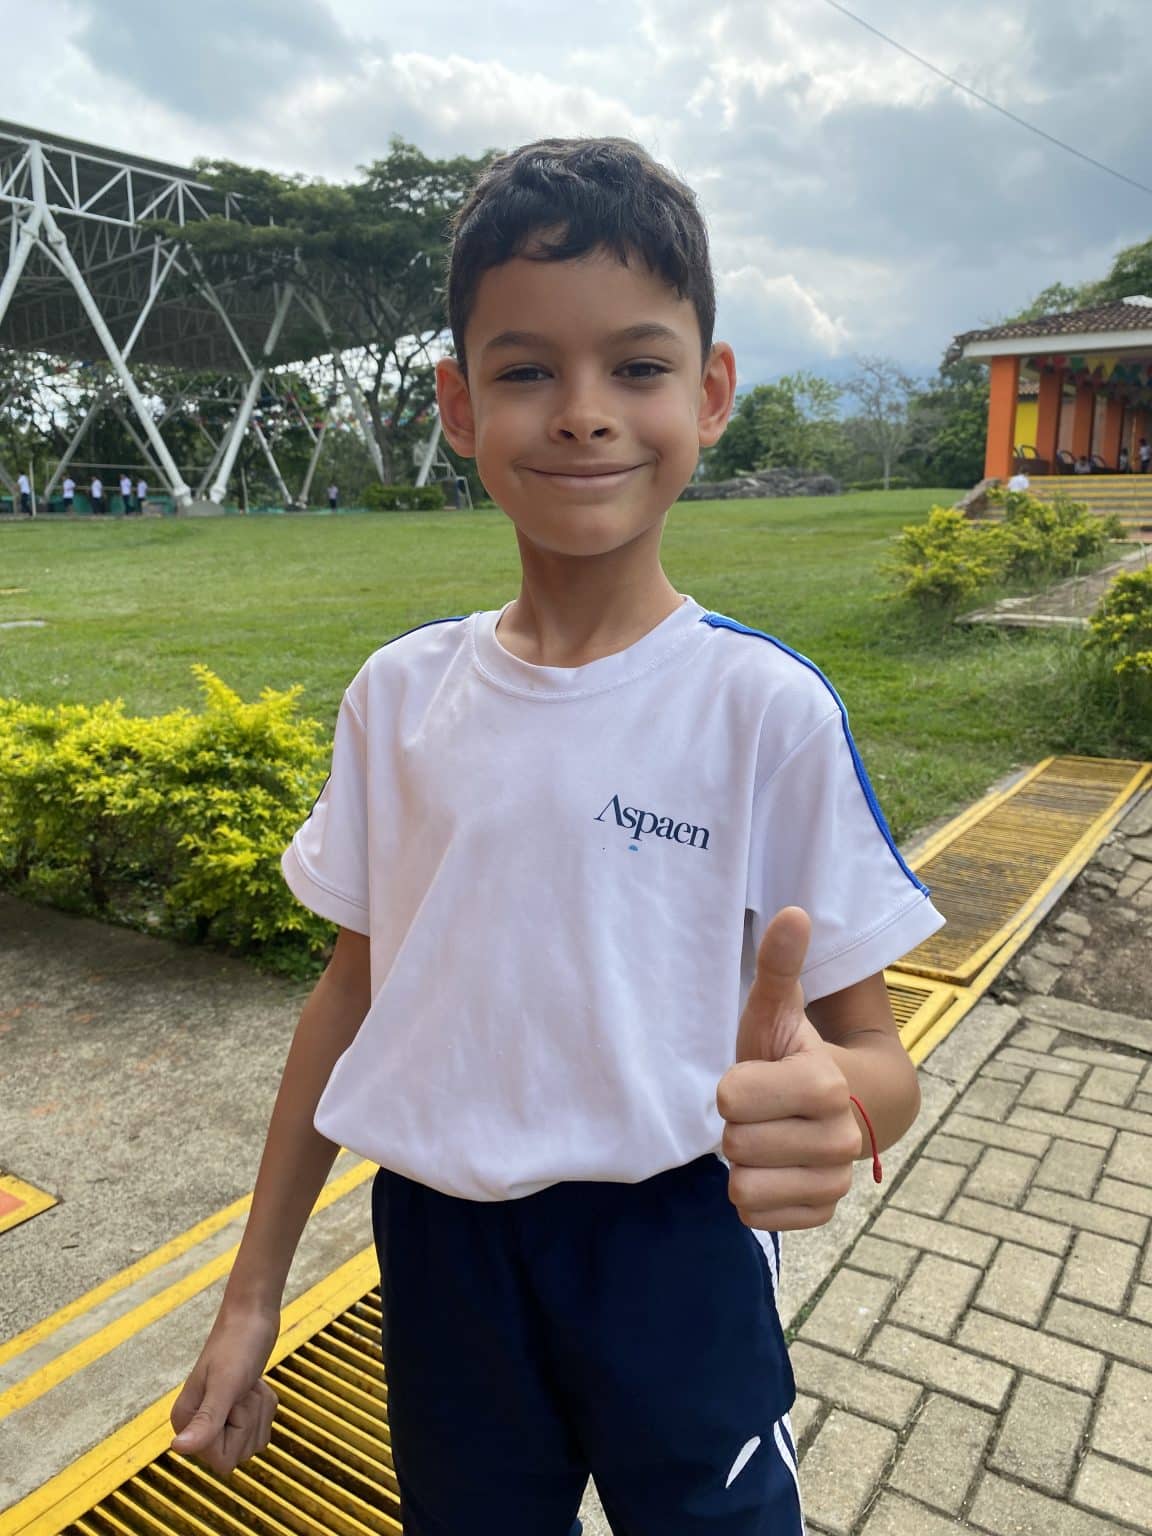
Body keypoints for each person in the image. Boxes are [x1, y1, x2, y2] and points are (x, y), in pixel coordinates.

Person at [168, 137, 944, 1534]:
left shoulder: (763, 711)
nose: (584, 415)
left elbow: (876, 1061)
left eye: (637, 367)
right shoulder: (398, 698)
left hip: (677, 1241)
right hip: (441, 1249)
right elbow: (348, 995)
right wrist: (251, 1297)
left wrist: (840, 1108)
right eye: (527, 371)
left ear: (710, 392)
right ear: (460, 405)